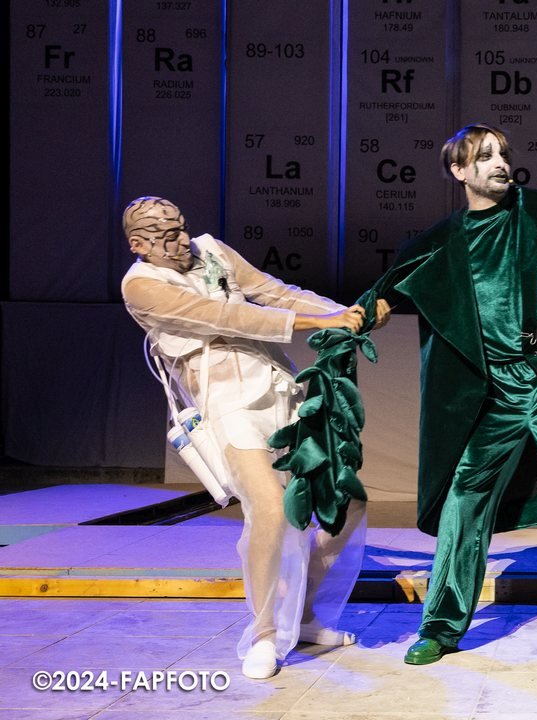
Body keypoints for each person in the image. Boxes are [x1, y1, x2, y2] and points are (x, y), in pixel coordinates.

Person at [354, 124, 537, 664]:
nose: (500, 163)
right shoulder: (438, 243)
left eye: (503, 154)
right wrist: (356, 319)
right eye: (484, 155)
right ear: (458, 171)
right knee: (464, 500)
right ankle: (441, 627)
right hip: (491, 394)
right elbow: (379, 299)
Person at [120, 196, 388, 679]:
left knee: (345, 501)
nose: (183, 240)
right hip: (227, 405)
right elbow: (226, 317)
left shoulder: (211, 250)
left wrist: (348, 312)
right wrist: (321, 322)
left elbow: (274, 292)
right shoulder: (140, 286)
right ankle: (264, 632)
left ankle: (302, 614)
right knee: (270, 507)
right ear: (139, 244)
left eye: (182, 228)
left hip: (281, 391)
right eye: (168, 236)